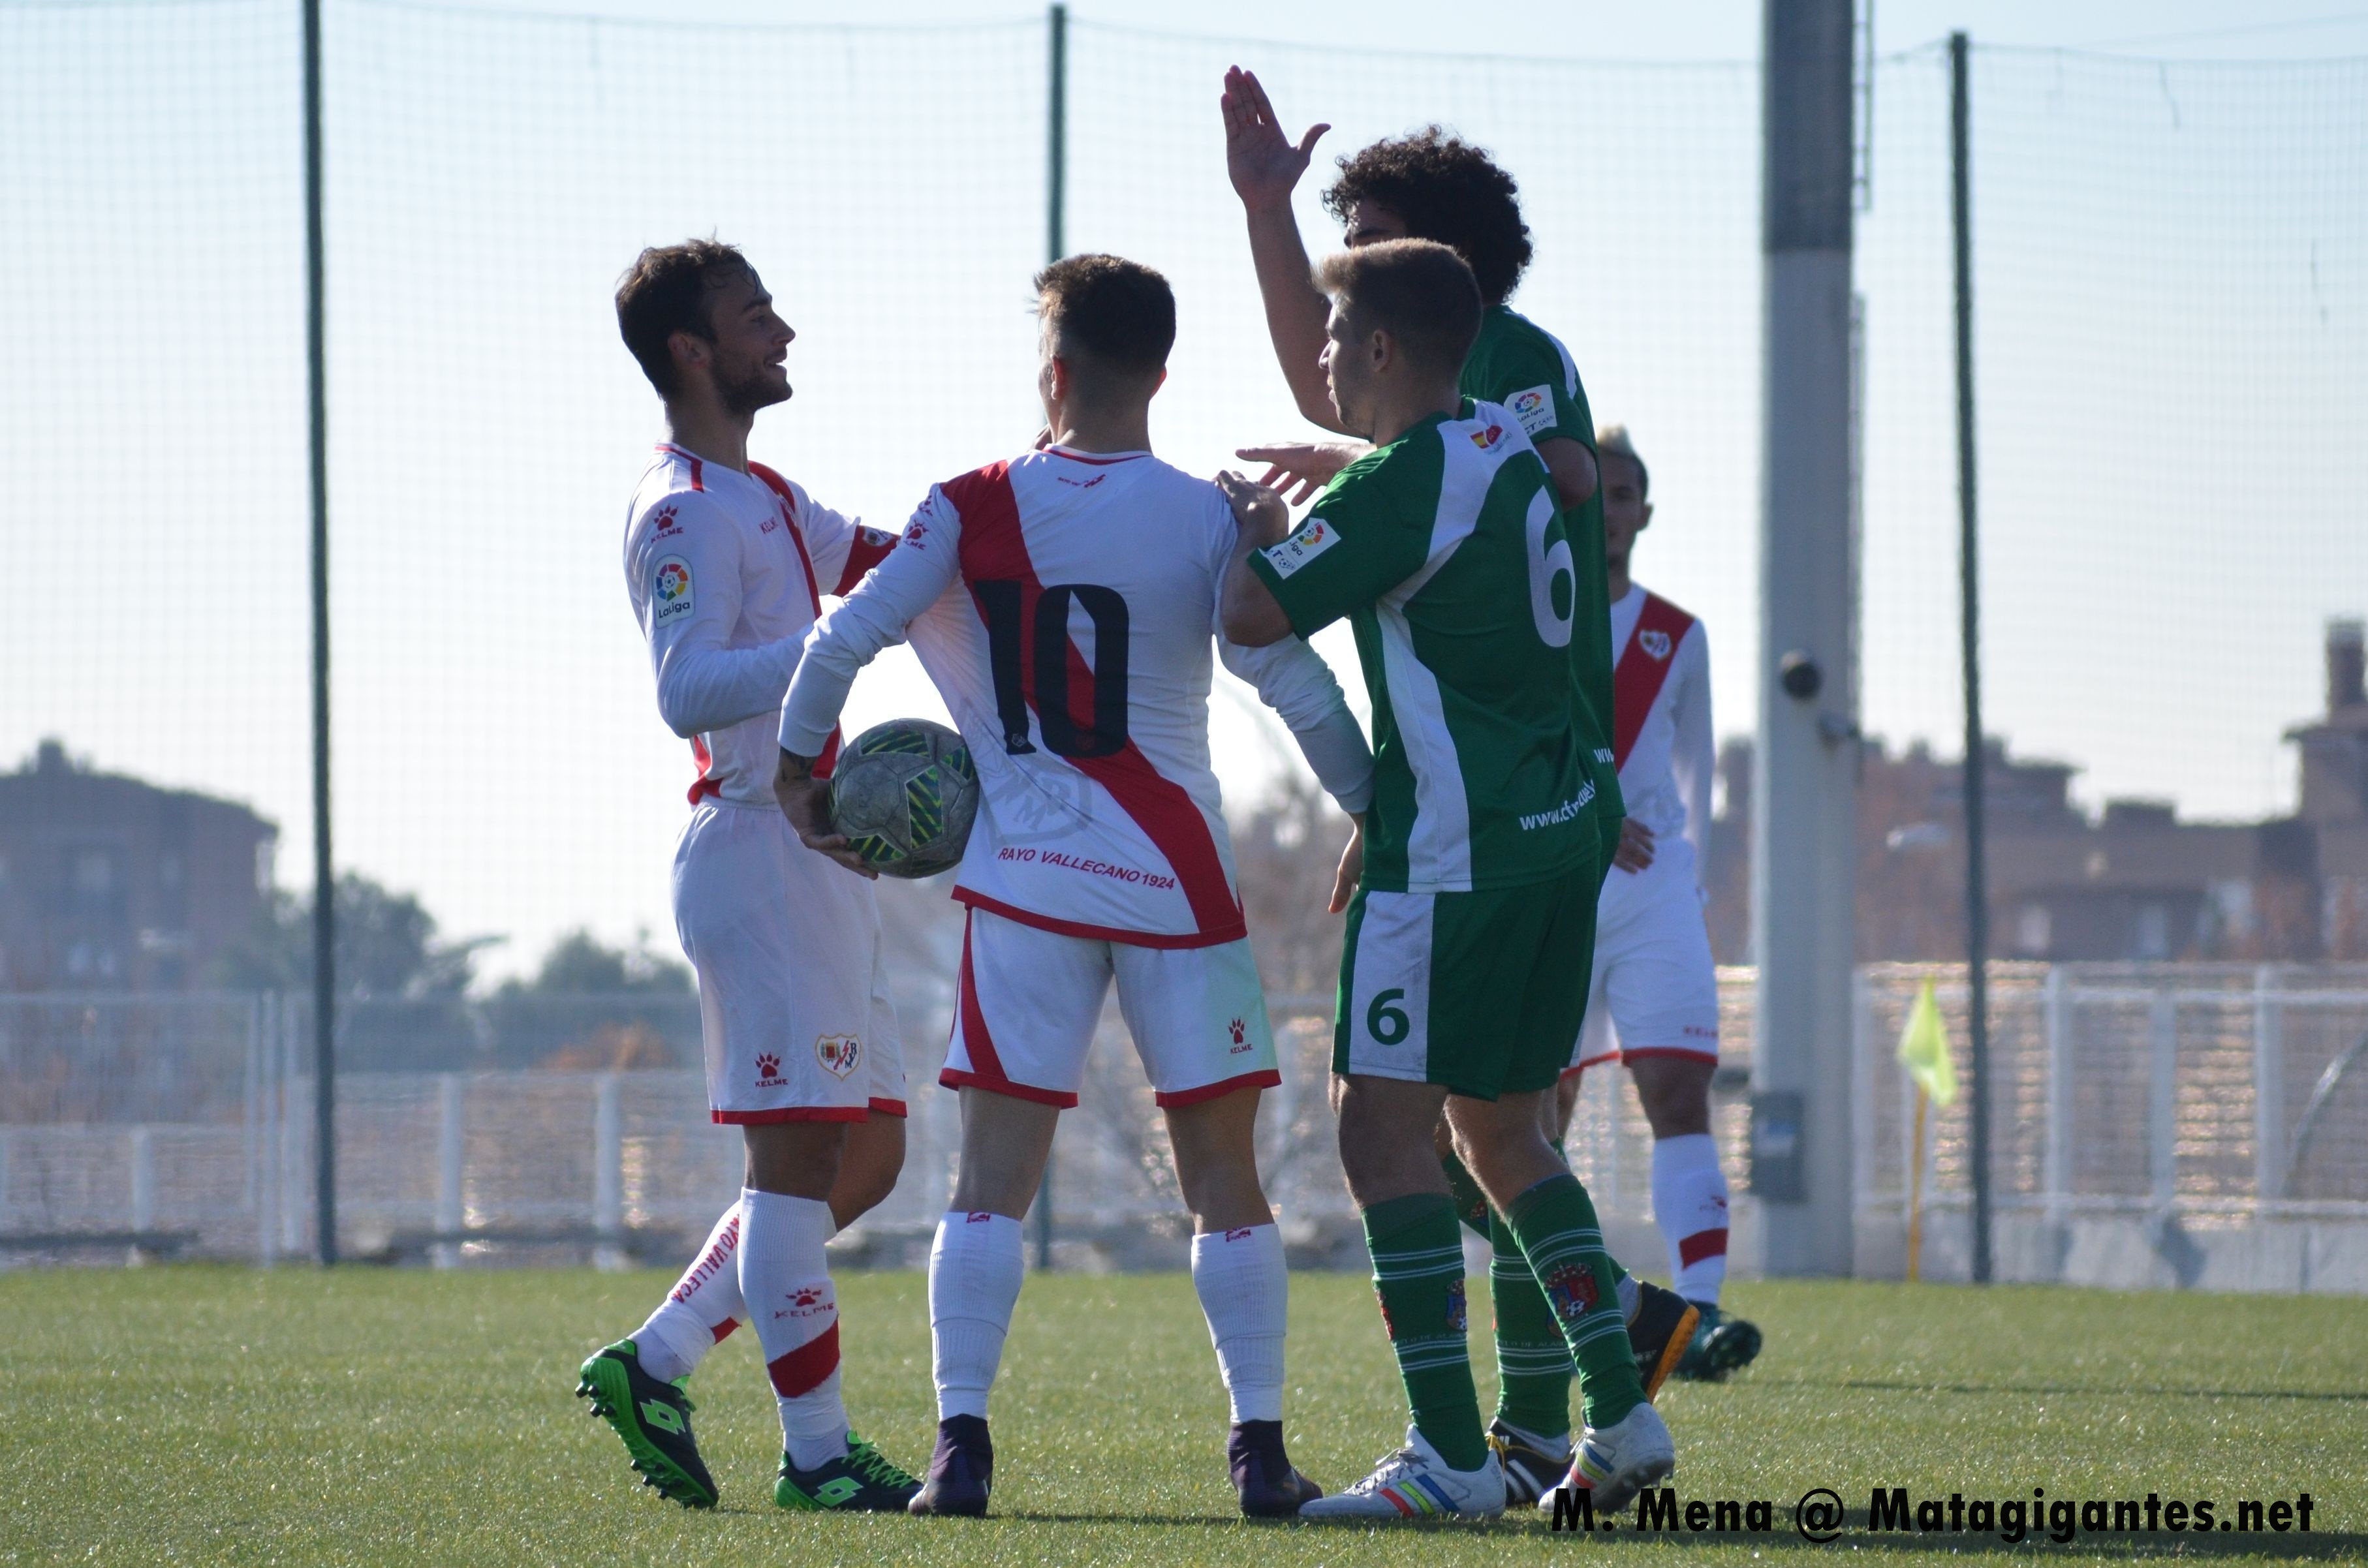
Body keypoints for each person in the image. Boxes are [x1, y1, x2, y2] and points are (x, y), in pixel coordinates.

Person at [774, 254, 1374, 1520]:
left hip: (1028, 886)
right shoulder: (1212, 515)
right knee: (1223, 1174)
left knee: (990, 1178)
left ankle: (961, 1452)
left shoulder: (966, 503)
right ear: (1161, 370)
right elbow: (1298, 686)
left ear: (1050, 371)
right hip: (1178, 888)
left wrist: (797, 780)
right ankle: (1258, 1452)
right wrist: (1382, 811)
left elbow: (841, 640)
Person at [1221, 68, 1698, 1507]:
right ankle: (1614, 1417)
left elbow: (1255, 612)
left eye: (1339, 269)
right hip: (1551, 821)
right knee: (1496, 1128)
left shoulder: (1445, 445)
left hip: (1461, 840)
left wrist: (1267, 526)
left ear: (1385, 331)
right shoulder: (1497, 441)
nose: (1315, 340)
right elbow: (1494, 501)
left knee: (1381, 1125)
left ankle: (1451, 1453)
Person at [575, 239, 922, 1514]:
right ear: (690, 349)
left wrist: (1004, 527)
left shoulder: (766, 493)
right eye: (752, 314)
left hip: (820, 854)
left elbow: (887, 557)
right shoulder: (678, 511)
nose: (780, 331)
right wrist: (832, 643)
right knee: (793, 1166)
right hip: (753, 846)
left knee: (866, 1156)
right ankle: (820, 1457)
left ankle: (654, 1359)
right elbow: (685, 689)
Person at [1559, 425, 1762, 1380]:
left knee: (1677, 1093)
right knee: (1534, 1115)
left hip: (1653, 897)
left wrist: (1693, 884)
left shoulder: (1675, 634)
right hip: (1550, 892)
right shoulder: (1533, 619)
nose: (1612, 506)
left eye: (1628, 491)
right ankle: (1559, 1313)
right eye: (1597, 487)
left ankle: (1703, 1317)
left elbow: (1699, 771)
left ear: (1644, 511)